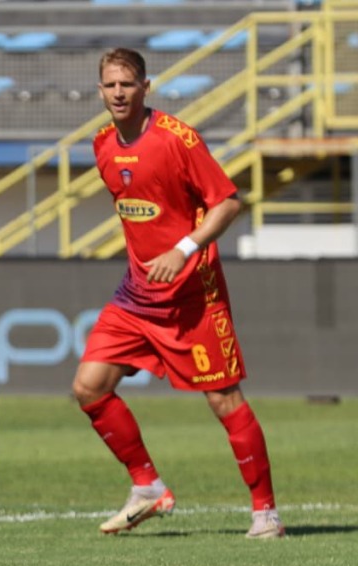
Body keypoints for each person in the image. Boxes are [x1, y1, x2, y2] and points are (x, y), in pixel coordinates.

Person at [76, 47, 284, 539]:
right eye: (111, 85)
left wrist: (184, 249)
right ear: (100, 91)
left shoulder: (177, 139)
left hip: (193, 296)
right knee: (89, 387)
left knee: (224, 400)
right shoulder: (102, 144)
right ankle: (147, 486)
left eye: (128, 83)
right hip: (137, 296)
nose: (119, 93)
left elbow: (227, 203)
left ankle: (266, 514)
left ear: (146, 87)